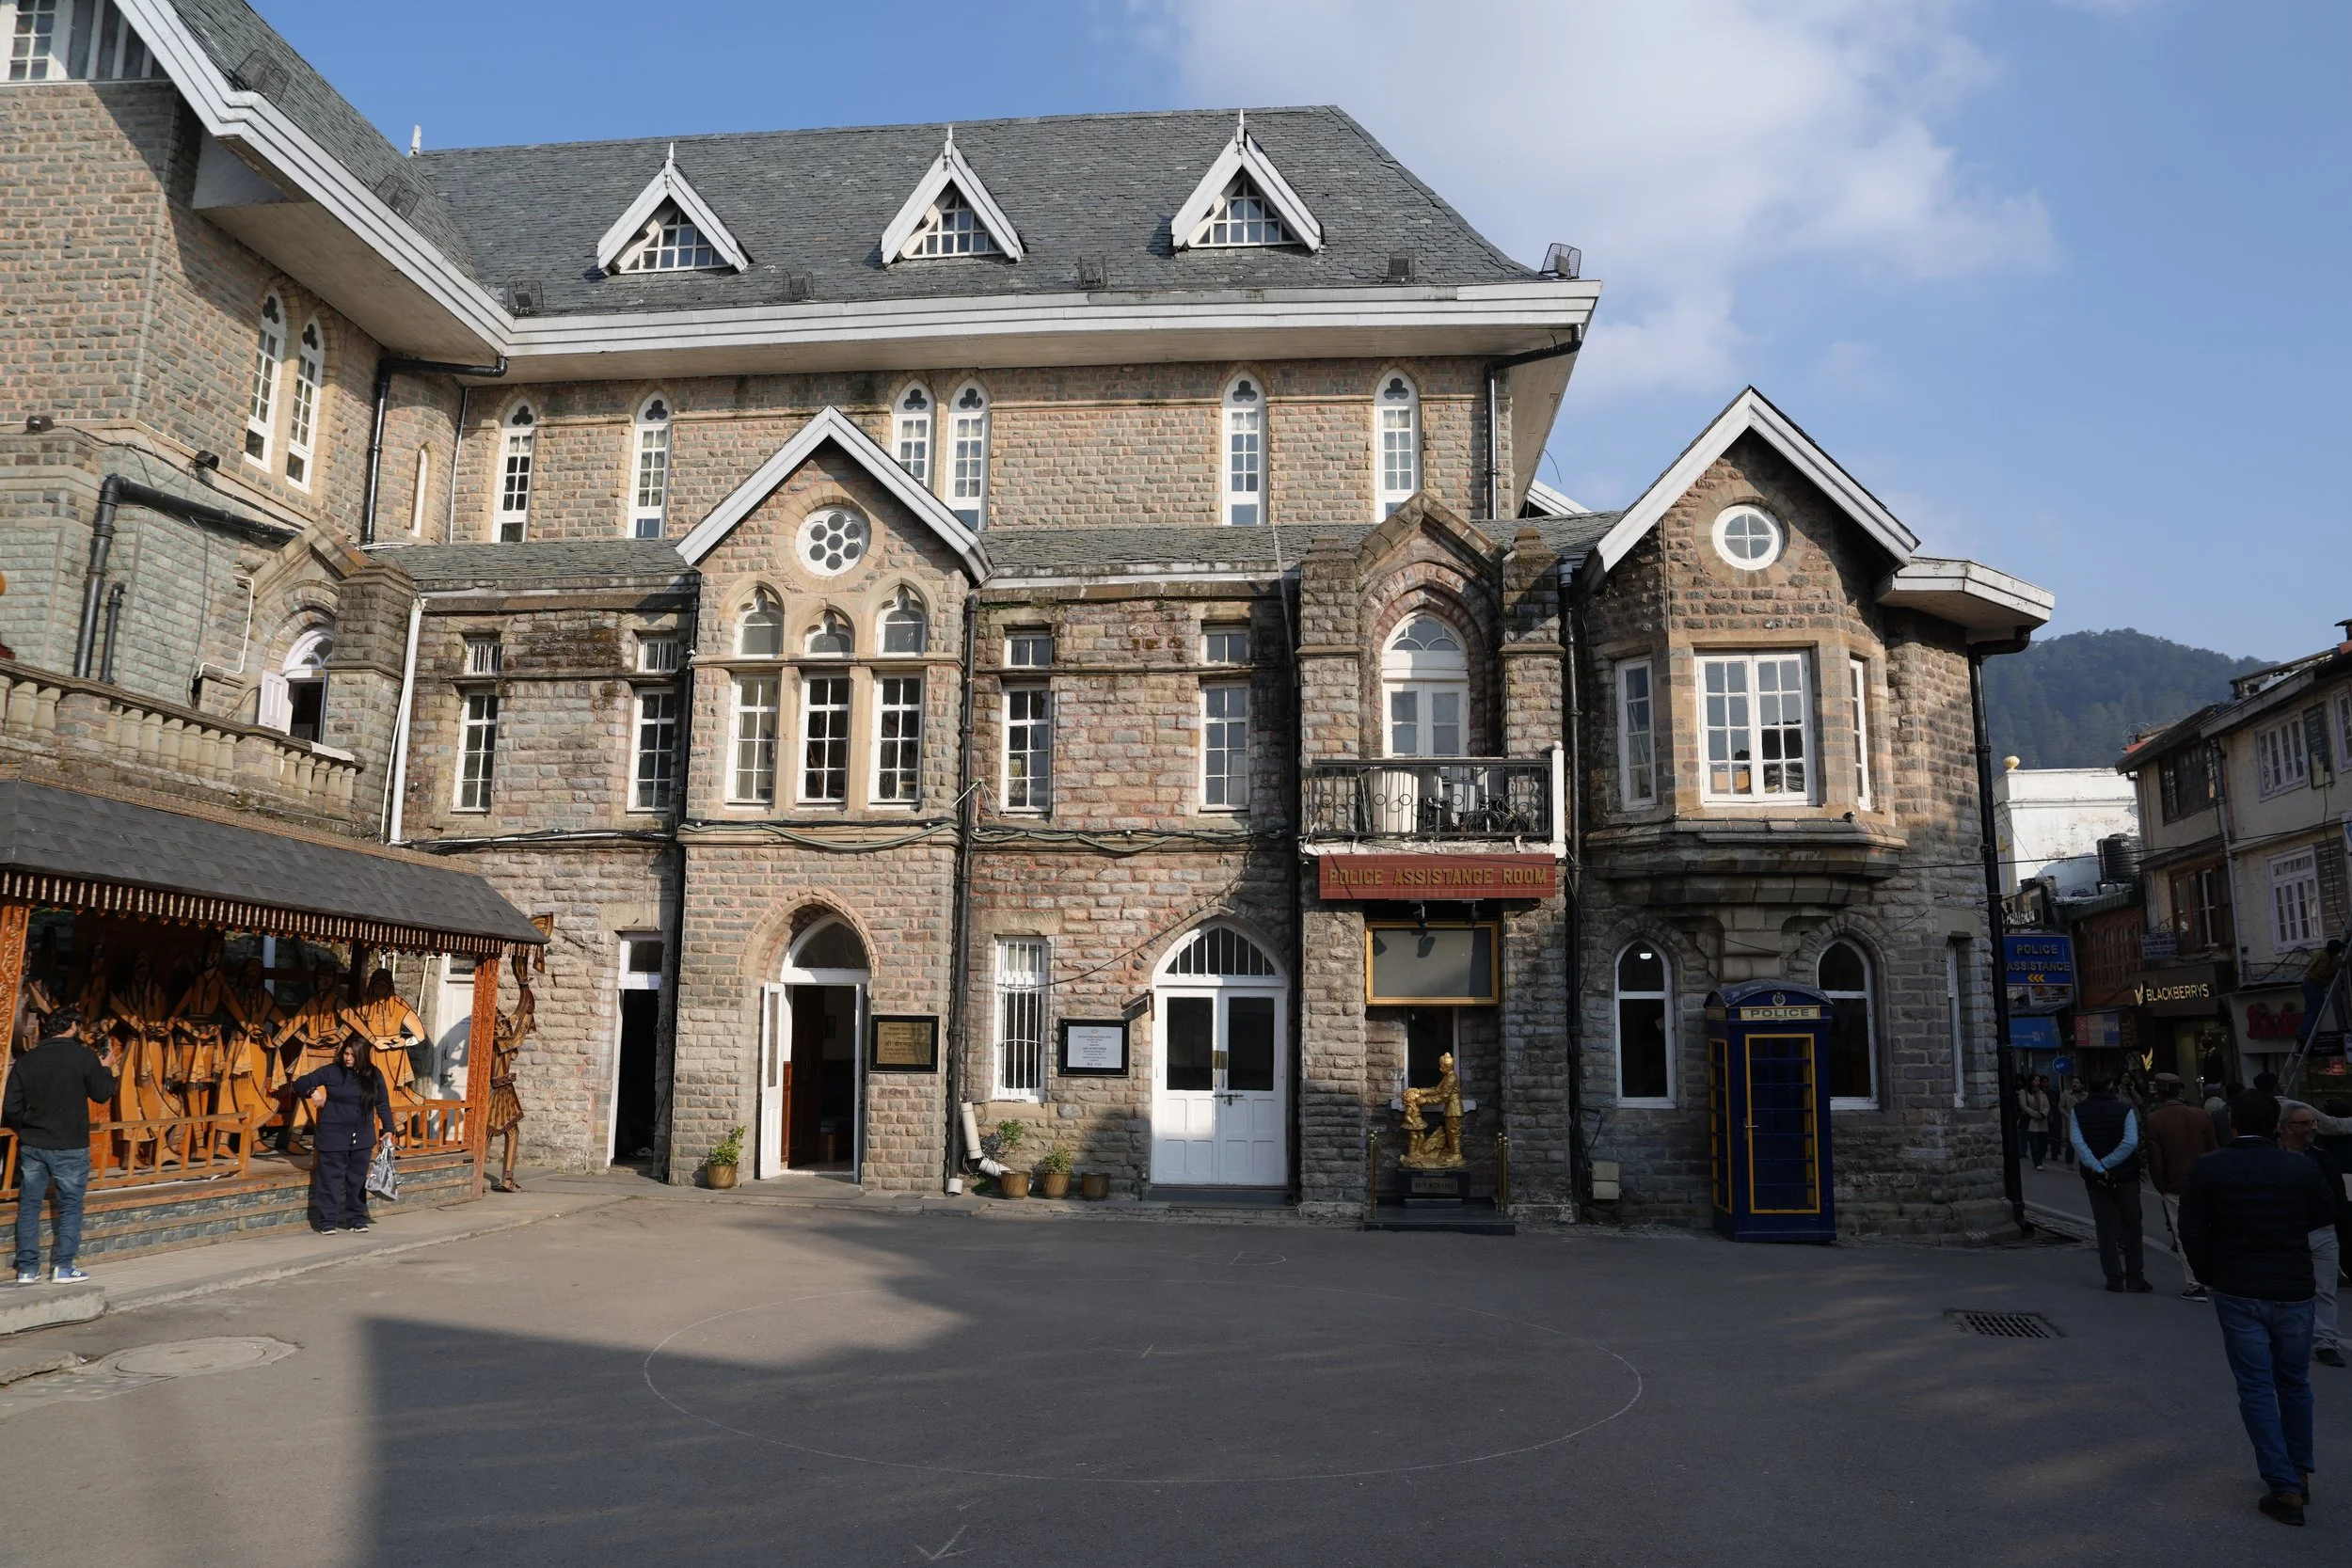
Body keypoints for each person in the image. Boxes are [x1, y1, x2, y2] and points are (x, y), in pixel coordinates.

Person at [2180, 1090, 2339, 1527]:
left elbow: (2191, 1229)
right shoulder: (2300, 1167)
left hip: (2238, 1287)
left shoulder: (2210, 1167)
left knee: (2255, 1387)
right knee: (2294, 1383)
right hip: (2293, 1287)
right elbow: (2323, 1215)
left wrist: (2210, 1272)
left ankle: (2283, 1485)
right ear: (2276, 1126)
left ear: (2231, 1124)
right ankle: (2300, 1472)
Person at [3, 1007, 120, 1284]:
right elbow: (102, 1095)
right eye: (79, 1026)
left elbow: (10, 1106)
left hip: (33, 1143)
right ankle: (62, 1266)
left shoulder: (28, 1060)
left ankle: (27, 1269)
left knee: (29, 1206)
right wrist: (106, 1070)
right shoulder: (84, 1058)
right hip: (70, 1144)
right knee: (70, 1206)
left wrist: (28, 1126)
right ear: (72, 1026)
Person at [285, 1038, 393, 1234]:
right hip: (333, 1135)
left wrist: (388, 1129)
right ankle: (327, 1221)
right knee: (330, 1179)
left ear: (362, 1056)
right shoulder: (332, 1071)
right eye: (346, 1053)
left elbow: (383, 1103)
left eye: (353, 1055)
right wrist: (313, 1091)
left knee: (357, 1180)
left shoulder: (374, 1075)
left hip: (362, 1136)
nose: (348, 1058)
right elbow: (300, 1083)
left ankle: (356, 1219)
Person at [2280, 1101, 2348, 1369]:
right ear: (2286, 1127)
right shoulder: (2275, 1157)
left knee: (2325, 1291)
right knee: (2288, 1291)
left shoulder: (2322, 1156)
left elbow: (2338, 1196)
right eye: (2305, 1123)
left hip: (2322, 1231)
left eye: (2314, 1123)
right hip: (2287, 1234)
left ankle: (2326, 1343)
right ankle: (2292, 1339)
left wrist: (2341, 1230)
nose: (2312, 1128)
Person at [2070, 1075, 2152, 1292]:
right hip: (2125, 1174)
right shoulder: (2125, 1111)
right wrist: (2109, 1163)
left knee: (2104, 1226)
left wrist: (2097, 1166)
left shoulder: (2078, 1111)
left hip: (2094, 1176)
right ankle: (2135, 1276)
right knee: (2132, 1224)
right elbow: (2130, 1143)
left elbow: (2077, 1142)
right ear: (2111, 1088)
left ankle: (2114, 1277)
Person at [2145, 1072, 2221, 1300]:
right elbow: (2214, 1149)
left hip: (2176, 1183)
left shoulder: (2155, 1119)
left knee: (2183, 1234)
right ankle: (2216, 1277)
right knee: (2211, 1229)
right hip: (2206, 1181)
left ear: (2159, 1094)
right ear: (2180, 1090)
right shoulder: (2202, 1115)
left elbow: (2155, 1159)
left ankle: (2195, 1282)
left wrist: (2161, 1185)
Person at [2299, 940, 2344, 1046]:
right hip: (2315, 984)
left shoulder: (2320, 953)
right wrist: (2335, 967)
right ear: (2334, 951)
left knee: (2309, 1010)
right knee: (2315, 1010)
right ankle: (2304, 1034)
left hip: (2307, 983)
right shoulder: (2325, 957)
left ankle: (2301, 1033)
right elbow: (2321, 973)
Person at [2017, 1074, 2054, 1171]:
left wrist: (2043, 1114)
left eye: (2038, 1081)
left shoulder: (2042, 1093)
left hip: (2042, 1121)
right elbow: (2024, 1105)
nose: (2038, 1083)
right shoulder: (2023, 1092)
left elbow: (2047, 1106)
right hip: (2031, 1121)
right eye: (2035, 1081)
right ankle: (2037, 1162)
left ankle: (2040, 1158)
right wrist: (2035, 1114)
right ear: (2031, 1082)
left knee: (2043, 1145)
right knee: (2034, 1143)